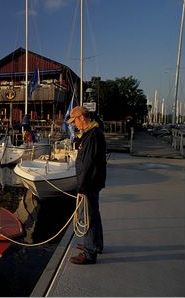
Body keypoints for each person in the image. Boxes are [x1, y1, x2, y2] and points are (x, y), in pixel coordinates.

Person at [66, 106, 106, 265]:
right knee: (93, 214)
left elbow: (88, 163)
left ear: (82, 117)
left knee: (87, 216)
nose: (74, 124)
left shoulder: (92, 135)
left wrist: (82, 186)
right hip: (92, 181)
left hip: (89, 183)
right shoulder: (91, 134)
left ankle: (89, 253)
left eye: (74, 120)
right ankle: (95, 244)